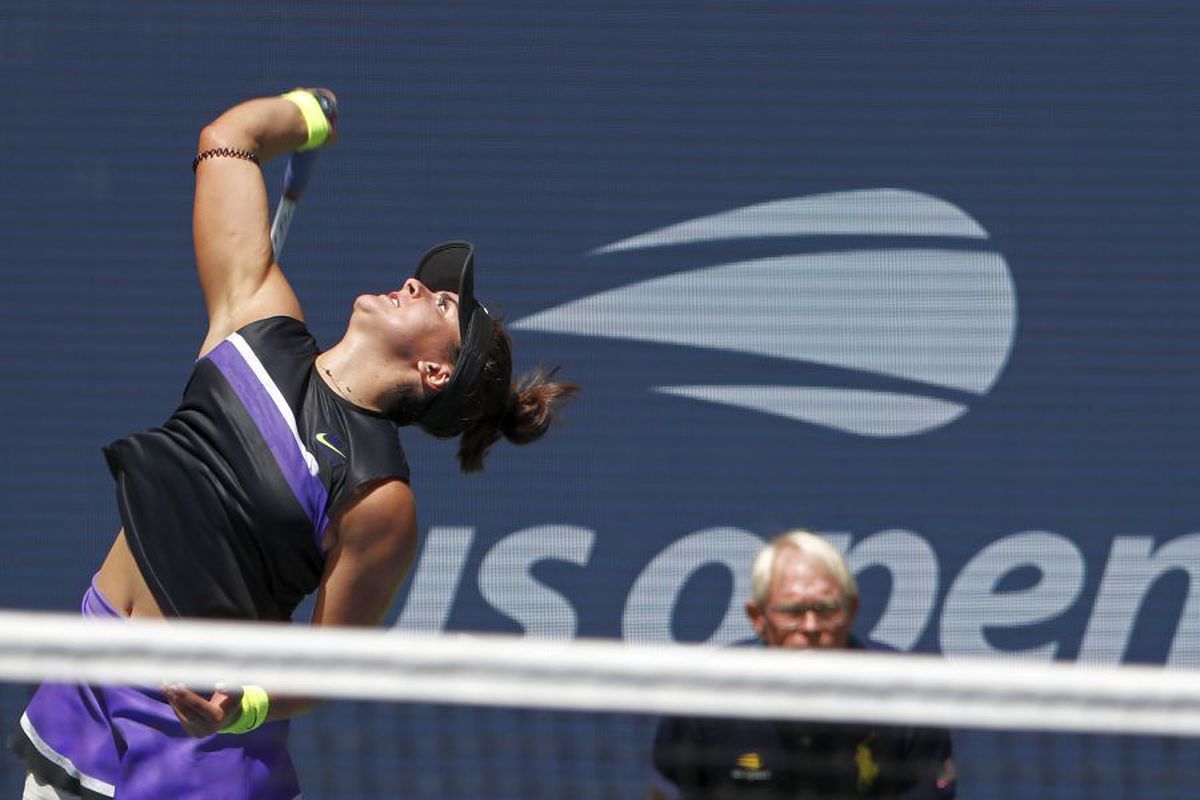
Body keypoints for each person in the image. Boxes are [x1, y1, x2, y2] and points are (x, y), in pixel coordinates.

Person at [9, 87, 577, 800]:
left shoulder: (377, 493)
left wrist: (239, 703)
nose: (414, 283)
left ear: (435, 370)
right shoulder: (257, 319)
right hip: (88, 678)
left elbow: (321, 664)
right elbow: (229, 139)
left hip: (194, 752)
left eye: (440, 304)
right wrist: (305, 114)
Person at [650, 531, 956, 799]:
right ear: (757, 617)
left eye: (826, 610)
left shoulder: (908, 697)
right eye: (793, 611)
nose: (810, 626)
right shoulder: (703, 697)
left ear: (852, 610)